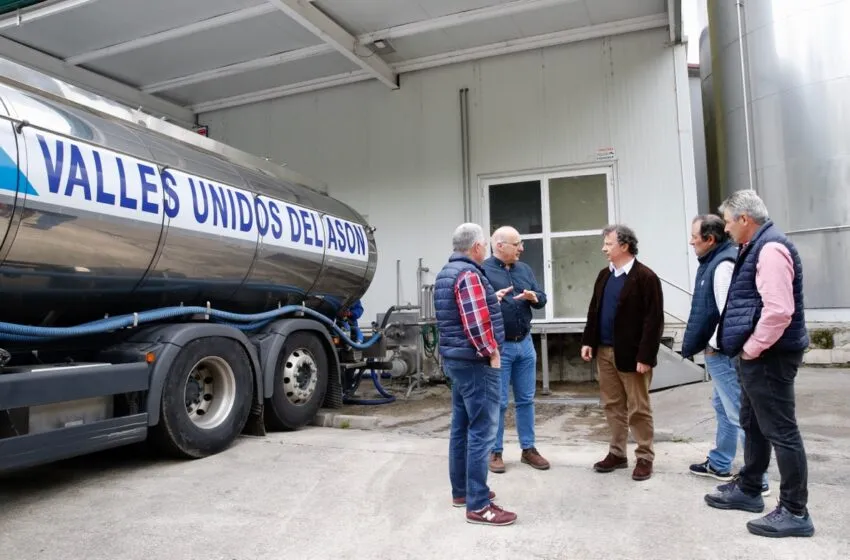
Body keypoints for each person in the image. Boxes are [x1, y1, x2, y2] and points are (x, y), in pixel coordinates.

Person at [703, 189, 814, 538]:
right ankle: (750, 488)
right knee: (752, 422)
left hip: (770, 355)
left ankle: (795, 511)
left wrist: (752, 348)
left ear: (745, 220)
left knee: (781, 430)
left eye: (728, 222)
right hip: (759, 355)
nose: (726, 229)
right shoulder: (756, 246)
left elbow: (779, 310)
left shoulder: (770, 249)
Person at [433, 222, 517, 526]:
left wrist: (490, 300)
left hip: (456, 361)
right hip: (475, 363)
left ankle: (462, 492)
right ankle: (479, 505)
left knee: (461, 426)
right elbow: (475, 324)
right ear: (477, 247)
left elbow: (459, 313)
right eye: (485, 244)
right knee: (482, 430)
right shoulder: (468, 274)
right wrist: (491, 352)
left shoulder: (447, 272)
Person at [681, 215, 771, 496]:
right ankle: (720, 462)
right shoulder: (718, 260)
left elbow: (728, 313)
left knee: (739, 412)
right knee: (724, 408)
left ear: (710, 239)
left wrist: (716, 346)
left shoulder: (722, 266)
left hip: (722, 353)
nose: (691, 240)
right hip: (722, 351)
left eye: (695, 235)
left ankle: (757, 479)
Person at [580, 224, 664, 481]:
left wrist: (645, 356)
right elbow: (594, 310)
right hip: (604, 351)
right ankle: (617, 453)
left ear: (624, 246)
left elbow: (654, 321)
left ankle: (644, 457)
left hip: (632, 355)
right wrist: (588, 341)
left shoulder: (646, 277)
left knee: (638, 408)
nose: (604, 248)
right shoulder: (604, 276)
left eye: (608, 243)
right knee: (612, 405)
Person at [482, 226, 550, 473]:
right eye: (517, 244)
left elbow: (542, 298)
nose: (521, 248)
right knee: (498, 402)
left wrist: (534, 297)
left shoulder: (525, 269)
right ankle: (495, 451)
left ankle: (528, 449)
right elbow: (477, 308)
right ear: (500, 246)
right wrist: (493, 301)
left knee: (526, 400)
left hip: (526, 344)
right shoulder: (483, 271)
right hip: (500, 347)